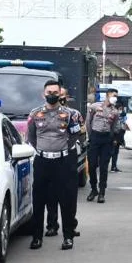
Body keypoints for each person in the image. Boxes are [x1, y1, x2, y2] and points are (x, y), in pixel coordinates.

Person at [26, 80, 80, 250]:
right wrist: (42, 150)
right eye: (49, 92)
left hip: (62, 161)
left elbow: (75, 135)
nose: (52, 95)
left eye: (55, 92)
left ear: (60, 94)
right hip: (42, 161)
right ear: (44, 94)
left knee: (66, 200)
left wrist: (63, 149)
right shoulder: (35, 114)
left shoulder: (71, 114)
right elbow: (31, 138)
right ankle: (37, 237)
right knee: (39, 199)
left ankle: (68, 236)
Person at [46, 88, 83, 238]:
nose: (58, 98)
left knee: (69, 194)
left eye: (61, 95)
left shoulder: (74, 114)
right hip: (51, 156)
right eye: (56, 95)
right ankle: (52, 225)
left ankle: (70, 225)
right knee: (51, 192)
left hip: (69, 155)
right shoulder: (45, 113)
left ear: (66, 97)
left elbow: (80, 132)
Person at [86, 88, 120, 203]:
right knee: (92, 165)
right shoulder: (95, 106)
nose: (115, 97)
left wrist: (112, 139)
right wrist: (91, 137)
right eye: (113, 95)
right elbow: (88, 122)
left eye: (116, 96)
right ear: (107, 95)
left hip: (106, 140)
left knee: (104, 167)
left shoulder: (115, 112)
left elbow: (114, 127)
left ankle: (101, 192)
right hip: (95, 137)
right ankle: (93, 189)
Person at [110, 101, 127, 173]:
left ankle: (114, 166)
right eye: (120, 109)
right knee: (112, 153)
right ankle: (112, 167)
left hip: (118, 137)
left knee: (115, 153)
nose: (121, 110)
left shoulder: (121, 116)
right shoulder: (114, 116)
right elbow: (113, 128)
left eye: (121, 109)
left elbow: (122, 127)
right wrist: (114, 139)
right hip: (114, 137)